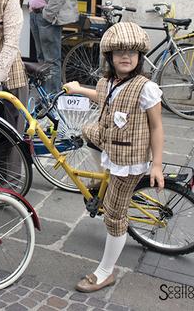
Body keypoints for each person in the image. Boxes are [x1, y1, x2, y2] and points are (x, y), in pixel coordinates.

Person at [64, 22, 164, 293]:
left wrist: (156, 164)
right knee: (86, 131)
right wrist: (78, 89)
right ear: (109, 56)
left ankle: (105, 271)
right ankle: (100, 180)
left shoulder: (145, 88)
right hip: (110, 143)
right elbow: (103, 97)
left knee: (115, 216)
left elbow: (156, 127)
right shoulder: (107, 81)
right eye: (119, 51)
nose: (126, 56)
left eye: (132, 52)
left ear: (140, 56)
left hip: (129, 158)